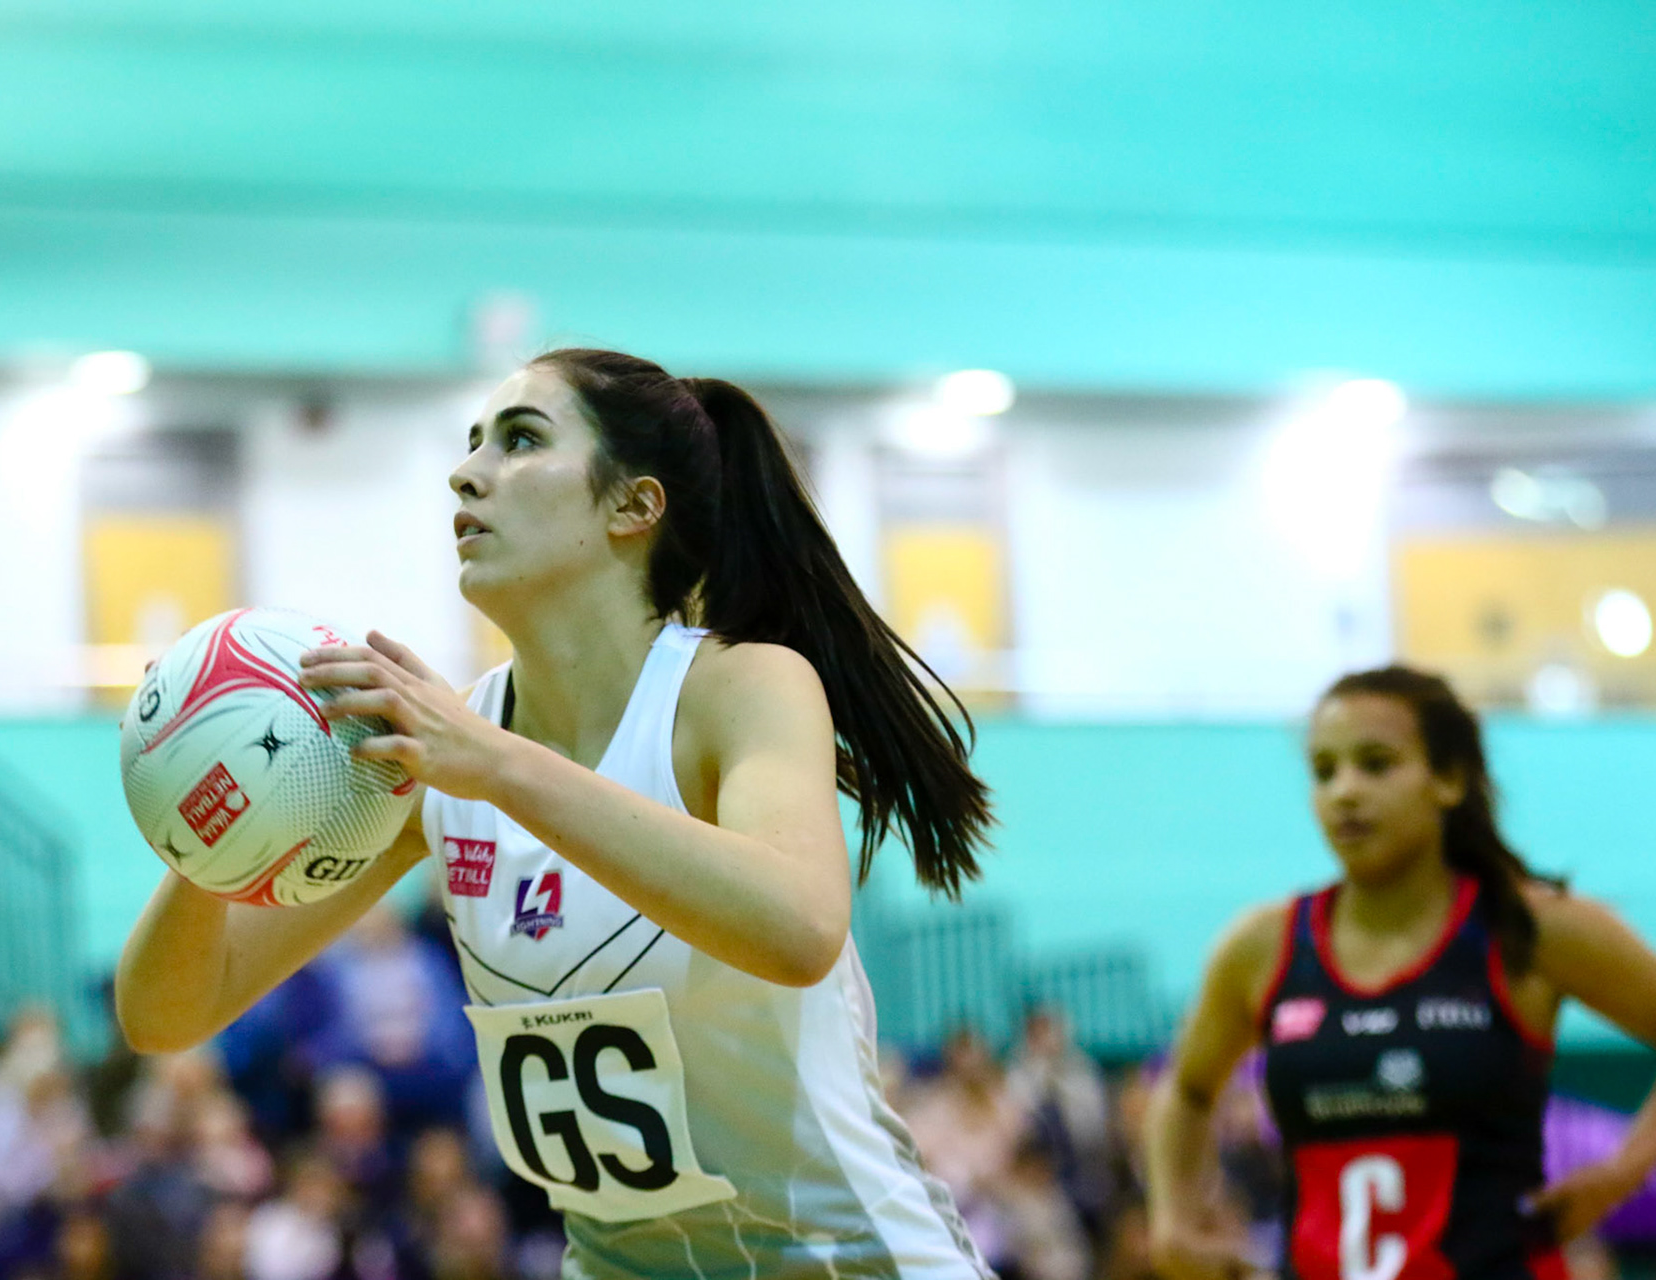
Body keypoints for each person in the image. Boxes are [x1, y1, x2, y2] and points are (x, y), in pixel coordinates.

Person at [117, 348, 997, 1277]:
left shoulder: (737, 687)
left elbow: (801, 927)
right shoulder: (442, 754)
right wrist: (220, 811)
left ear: (633, 506)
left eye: (521, 439)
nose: (467, 471)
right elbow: (166, 1013)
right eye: (469, 445)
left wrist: (500, 769)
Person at [1145, 667, 1656, 1280]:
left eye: (1375, 763)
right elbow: (1185, 1090)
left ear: (1447, 779)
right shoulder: (1262, 947)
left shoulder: (1527, 928)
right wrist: (1173, 1218)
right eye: (1324, 771)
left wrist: (1623, 1172)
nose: (1344, 791)